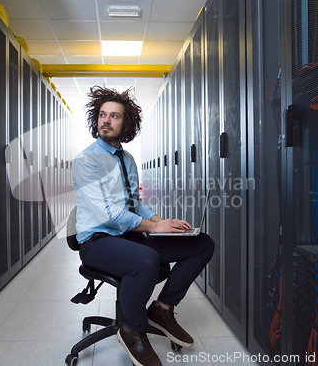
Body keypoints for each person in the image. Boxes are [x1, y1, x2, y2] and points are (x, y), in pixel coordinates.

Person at [71, 85, 215, 366]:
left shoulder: (127, 159)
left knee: (202, 244)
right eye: (102, 114)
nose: (106, 120)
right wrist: (152, 227)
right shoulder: (87, 160)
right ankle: (132, 329)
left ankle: (162, 309)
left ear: (126, 123)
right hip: (97, 241)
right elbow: (108, 213)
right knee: (146, 259)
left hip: (127, 235)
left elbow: (134, 205)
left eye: (114, 116)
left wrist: (163, 222)